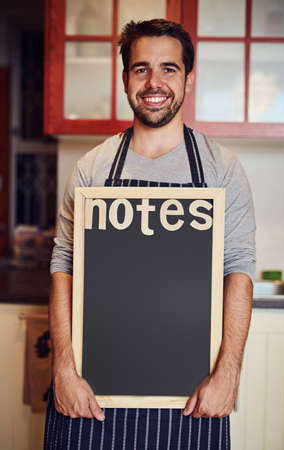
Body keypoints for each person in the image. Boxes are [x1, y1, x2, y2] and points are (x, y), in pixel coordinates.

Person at [44, 19, 255, 450]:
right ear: (125, 79)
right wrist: (63, 370)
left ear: (188, 79)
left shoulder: (222, 169)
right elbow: (63, 268)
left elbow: (239, 270)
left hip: (193, 395)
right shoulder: (92, 169)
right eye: (141, 69)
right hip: (91, 394)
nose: (153, 82)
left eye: (169, 69)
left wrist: (228, 373)